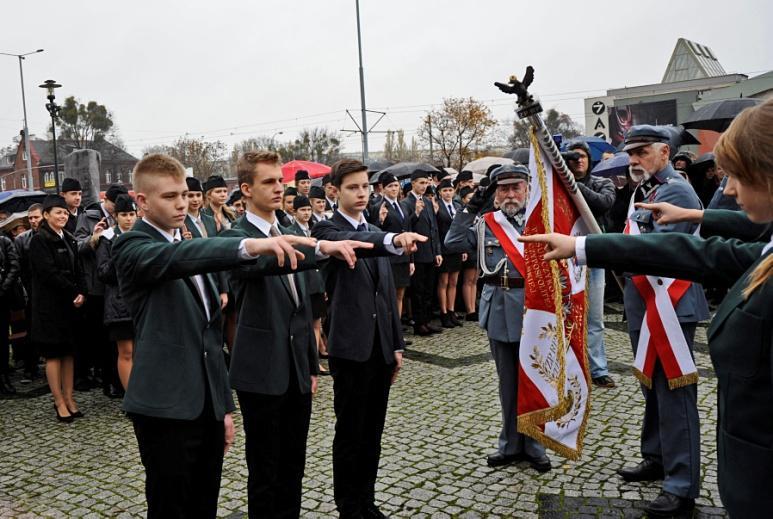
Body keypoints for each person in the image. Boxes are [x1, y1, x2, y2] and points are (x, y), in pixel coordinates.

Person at [112, 153, 314, 519]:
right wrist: (248, 244)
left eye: (184, 195)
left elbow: (210, 337)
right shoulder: (131, 247)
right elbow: (181, 259)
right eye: (169, 197)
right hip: (165, 408)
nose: (181, 204)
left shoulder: (185, 241)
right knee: (172, 508)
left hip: (204, 405)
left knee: (205, 506)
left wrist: (222, 407)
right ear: (141, 201)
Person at [525, 125, 711, 517]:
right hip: (646, 302)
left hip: (670, 305)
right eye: (631, 152)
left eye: (643, 151)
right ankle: (657, 456)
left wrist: (593, 251)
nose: (634, 159)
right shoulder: (645, 190)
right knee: (652, 386)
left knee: (675, 395)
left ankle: (681, 485)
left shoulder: (675, 189)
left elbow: (656, 249)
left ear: (664, 151)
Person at [224, 152, 369, 517]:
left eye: (279, 181)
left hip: (296, 368)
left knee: (294, 465)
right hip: (260, 369)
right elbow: (260, 264)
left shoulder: (291, 231)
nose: (278, 188)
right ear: (246, 189)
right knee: (264, 470)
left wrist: (309, 364)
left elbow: (304, 307)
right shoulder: (237, 239)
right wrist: (319, 248)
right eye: (268, 182)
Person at [312, 159, 426, 519]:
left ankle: (367, 501)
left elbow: (386, 293)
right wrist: (392, 239)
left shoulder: (372, 228)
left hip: (379, 346)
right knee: (350, 433)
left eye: (365, 187)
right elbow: (357, 243)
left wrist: (395, 344)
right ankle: (349, 507)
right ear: (335, 191)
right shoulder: (327, 231)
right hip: (350, 348)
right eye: (352, 188)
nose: (361, 193)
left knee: (373, 432)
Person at [445, 164, 551, 474]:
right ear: (495, 194)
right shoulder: (486, 223)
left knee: (534, 380)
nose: (509, 194)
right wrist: (469, 208)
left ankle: (535, 445)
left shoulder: (540, 221)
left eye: (515, 187)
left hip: (535, 309)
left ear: (527, 189)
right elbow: (452, 244)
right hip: (501, 308)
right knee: (508, 383)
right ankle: (510, 445)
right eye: (502, 189)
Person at [29, 195, 87, 422]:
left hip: (70, 305)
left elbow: (79, 268)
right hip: (50, 306)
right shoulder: (40, 240)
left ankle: (69, 397)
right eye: (58, 212)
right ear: (46, 215)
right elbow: (48, 273)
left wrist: (82, 291)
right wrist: (74, 291)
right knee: (54, 355)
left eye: (65, 213)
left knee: (69, 353)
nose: (63, 216)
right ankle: (58, 401)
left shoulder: (69, 238)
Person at [565, 140, 617, 388]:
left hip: (594, 257)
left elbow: (603, 203)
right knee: (567, 315)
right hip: (567, 259)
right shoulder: (559, 187)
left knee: (594, 318)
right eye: (574, 158)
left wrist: (572, 185)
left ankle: (598, 369)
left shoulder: (601, 182)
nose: (579, 161)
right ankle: (569, 366)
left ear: (589, 160)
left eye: (582, 157)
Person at [74, 182, 128, 396]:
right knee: (104, 339)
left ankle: (119, 379)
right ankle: (109, 380)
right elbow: (77, 246)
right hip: (96, 285)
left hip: (119, 287)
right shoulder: (88, 216)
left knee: (120, 341)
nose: (119, 208)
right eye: (116, 204)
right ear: (107, 201)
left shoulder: (124, 216)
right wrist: (95, 238)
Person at [95, 194, 138, 391]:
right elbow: (103, 272)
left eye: (131, 214)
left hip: (142, 301)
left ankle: (145, 393)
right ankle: (131, 396)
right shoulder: (108, 238)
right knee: (126, 351)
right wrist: (119, 256)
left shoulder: (141, 235)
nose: (128, 219)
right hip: (119, 304)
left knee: (143, 351)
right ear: (116, 216)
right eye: (124, 215)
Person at [401, 170, 443, 336]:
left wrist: (437, 251)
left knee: (428, 291)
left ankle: (426, 321)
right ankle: (419, 324)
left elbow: (434, 228)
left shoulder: (427, 200)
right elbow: (406, 227)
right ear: (413, 184)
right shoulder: (406, 203)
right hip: (417, 253)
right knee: (417, 291)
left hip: (430, 253)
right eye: (421, 183)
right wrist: (416, 213)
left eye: (426, 183)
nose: (424, 186)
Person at [368, 172, 413, 321]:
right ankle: (388, 329)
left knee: (400, 294)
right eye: (390, 186)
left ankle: (398, 329)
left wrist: (411, 259)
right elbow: (372, 232)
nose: (394, 189)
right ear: (383, 188)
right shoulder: (377, 206)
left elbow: (408, 231)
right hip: (388, 256)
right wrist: (380, 220)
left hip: (403, 256)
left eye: (396, 185)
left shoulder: (402, 206)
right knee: (389, 295)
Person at [15, 203, 43, 383]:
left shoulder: (51, 237)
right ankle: (30, 367)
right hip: (31, 289)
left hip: (47, 289)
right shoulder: (22, 240)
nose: (33, 221)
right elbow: (18, 267)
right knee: (31, 330)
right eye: (30, 218)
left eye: (36, 217)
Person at [435, 178, 463, 328]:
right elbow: (436, 229)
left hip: (456, 248)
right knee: (443, 282)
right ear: (440, 193)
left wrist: (463, 248)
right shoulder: (438, 206)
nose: (448, 193)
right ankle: (444, 312)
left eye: (450, 190)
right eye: (445, 190)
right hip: (444, 248)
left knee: (454, 281)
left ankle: (452, 311)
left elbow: (462, 227)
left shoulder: (457, 205)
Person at [0, 229, 20, 394]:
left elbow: (14, 266)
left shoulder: (4, 241)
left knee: (2, 340)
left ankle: (4, 376)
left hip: (2, 298)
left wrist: (2, 289)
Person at [457, 186, 479, 321]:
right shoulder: (463, 213)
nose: (472, 200)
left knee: (475, 280)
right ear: (464, 200)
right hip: (467, 246)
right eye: (469, 198)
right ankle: (469, 309)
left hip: (477, 247)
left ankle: (474, 307)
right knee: (468, 280)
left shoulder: (478, 211)